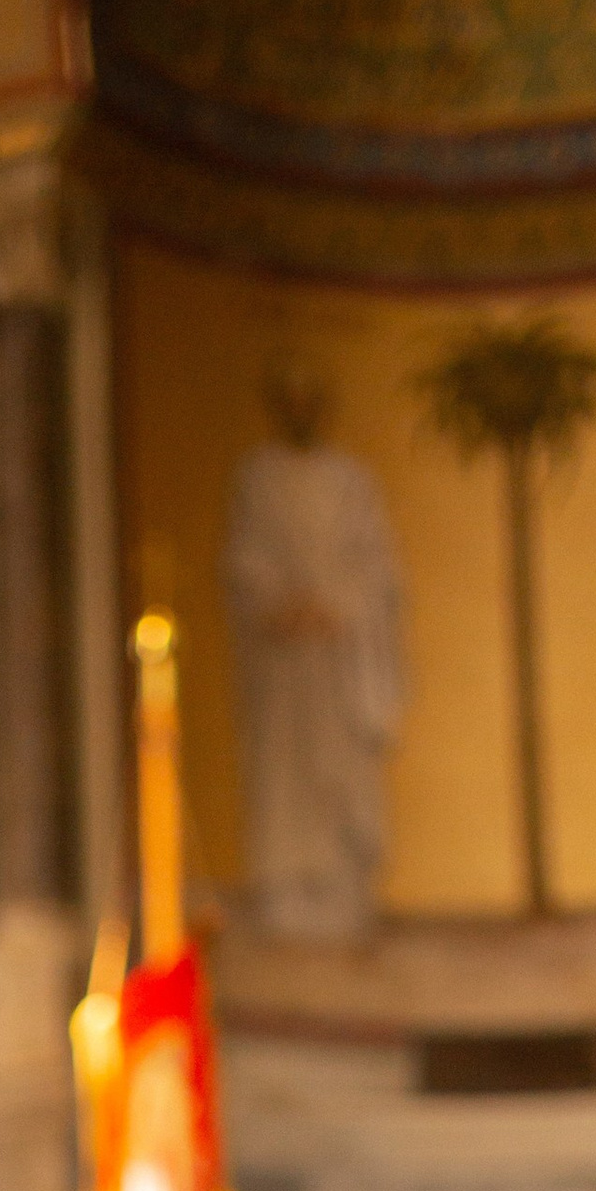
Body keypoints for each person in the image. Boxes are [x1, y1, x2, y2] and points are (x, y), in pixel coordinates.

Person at [223, 358, 406, 941]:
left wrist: (338, 605)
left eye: (311, 400)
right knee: (285, 779)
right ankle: (286, 894)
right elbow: (241, 555)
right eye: (291, 400)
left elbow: (378, 563)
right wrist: (280, 603)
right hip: (280, 656)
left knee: (340, 774)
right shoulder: (257, 476)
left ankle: (344, 894)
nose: (301, 411)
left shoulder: (351, 479)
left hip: (340, 654)